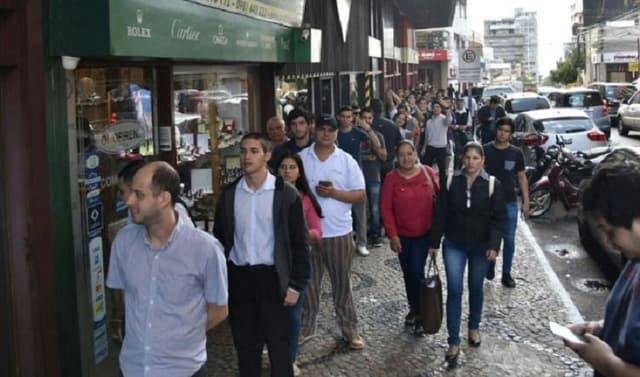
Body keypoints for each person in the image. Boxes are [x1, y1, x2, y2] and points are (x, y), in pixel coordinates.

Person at [106, 161, 229, 377]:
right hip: (132, 368)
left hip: (183, 370)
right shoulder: (123, 243)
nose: (129, 200)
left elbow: (219, 309)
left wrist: (179, 336)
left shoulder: (205, 249)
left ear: (163, 198)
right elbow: (123, 294)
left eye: (139, 194)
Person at [213, 133, 311, 377]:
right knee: (246, 348)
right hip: (240, 279)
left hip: (273, 279)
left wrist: (296, 284)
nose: (247, 156)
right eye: (244, 151)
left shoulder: (286, 194)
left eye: (254, 151)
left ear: (267, 155)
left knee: (280, 348)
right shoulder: (229, 195)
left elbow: (299, 244)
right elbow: (220, 241)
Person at [428, 142, 506, 368]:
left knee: (475, 286)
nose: (470, 162)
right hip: (454, 243)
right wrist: (434, 242)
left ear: (482, 160)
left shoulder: (492, 185)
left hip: (481, 246)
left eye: (475, 158)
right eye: (467, 157)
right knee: (454, 289)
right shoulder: (452, 181)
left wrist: (494, 245)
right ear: (462, 159)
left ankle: (473, 326)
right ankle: (453, 341)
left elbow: (498, 218)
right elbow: (441, 212)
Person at [564, 150, 640, 377]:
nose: (606, 242)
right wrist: (600, 327)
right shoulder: (634, 259)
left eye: (609, 231)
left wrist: (609, 364)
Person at [299, 113, 367, 350]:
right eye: (322, 129)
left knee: (342, 284)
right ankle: (305, 328)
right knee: (308, 284)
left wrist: (335, 193)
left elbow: (360, 194)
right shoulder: (301, 158)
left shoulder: (346, 160)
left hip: (338, 232)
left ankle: (350, 330)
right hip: (307, 233)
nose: (326, 134)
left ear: (337, 133)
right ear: (314, 130)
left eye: (331, 130)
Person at [381, 140, 439, 335]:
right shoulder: (391, 178)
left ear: (415, 154)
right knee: (408, 273)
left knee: (416, 270)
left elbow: (440, 202)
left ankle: (422, 313)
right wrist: (392, 235)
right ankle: (414, 308)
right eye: (402, 154)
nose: (406, 158)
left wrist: (437, 237)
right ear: (397, 157)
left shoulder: (428, 173)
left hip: (424, 234)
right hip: (402, 236)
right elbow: (386, 208)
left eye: (409, 153)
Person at [276, 152, 323, 377]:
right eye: (283, 167)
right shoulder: (269, 195)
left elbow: (317, 231)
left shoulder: (304, 198)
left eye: (292, 167)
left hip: (297, 262)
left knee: (293, 315)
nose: (287, 171)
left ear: (299, 171)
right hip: (273, 264)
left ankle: (290, 358)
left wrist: (301, 233)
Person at [483, 117, 530, 288]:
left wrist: (526, 201)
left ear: (511, 134)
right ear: (496, 130)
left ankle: (506, 273)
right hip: (488, 201)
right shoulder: (485, 150)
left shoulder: (516, 153)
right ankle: (490, 263)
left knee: (509, 239)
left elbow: (521, 177)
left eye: (507, 131)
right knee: (488, 237)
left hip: (509, 202)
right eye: (500, 129)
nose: (502, 134)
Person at [336, 106, 381, 256]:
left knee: (360, 213)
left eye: (349, 116)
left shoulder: (358, 133)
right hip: (339, 178)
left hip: (356, 178)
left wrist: (367, 129)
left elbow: (375, 144)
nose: (346, 119)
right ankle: (345, 242)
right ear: (338, 117)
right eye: (343, 116)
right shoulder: (334, 134)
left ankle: (362, 243)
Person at [360, 107, 388, 248]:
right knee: (359, 209)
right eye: (364, 118)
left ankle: (376, 235)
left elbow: (384, 156)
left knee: (375, 208)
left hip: (373, 176)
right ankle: (361, 236)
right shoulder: (355, 135)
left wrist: (371, 134)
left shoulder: (378, 136)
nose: (367, 121)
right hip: (358, 178)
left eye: (369, 118)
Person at [371, 98, 403, 181]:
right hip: (389, 160)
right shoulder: (392, 125)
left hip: (372, 162)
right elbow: (400, 143)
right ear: (382, 110)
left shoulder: (368, 126)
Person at [420, 102, 450, 186]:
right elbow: (427, 136)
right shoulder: (429, 121)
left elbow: (448, 120)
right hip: (430, 147)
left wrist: (447, 109)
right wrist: (424, 148)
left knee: (442, 170)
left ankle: (443, 189)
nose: (436, 109)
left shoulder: (444, 119)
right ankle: (427, 185)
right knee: (426, 168)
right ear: (432, 109)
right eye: (434, 107)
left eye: (438, 107)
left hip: (441, 148)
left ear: (440, 109)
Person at [451, 98, 473, 170]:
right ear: (456, 103)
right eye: (458, 102)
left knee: (466, 151)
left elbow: (470, 122)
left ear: (463, 103)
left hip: (465, 134)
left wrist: (465, 126)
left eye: (461, 102)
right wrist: (458, 127)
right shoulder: (453, 112)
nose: (460, 104)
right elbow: (451, 123)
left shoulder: (467, 111)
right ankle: (456, 170)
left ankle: (465, 168)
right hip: (456, 134)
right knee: (458, 152)